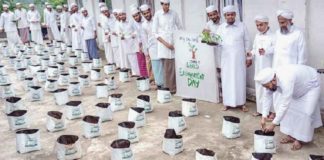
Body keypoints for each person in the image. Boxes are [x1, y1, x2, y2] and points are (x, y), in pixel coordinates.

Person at [255, 64, 322, 150]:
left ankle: (300, 139)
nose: (267, 88)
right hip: (296, 87)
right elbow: (267, 97)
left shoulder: (286, 79)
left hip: (310, 85)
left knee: (306, 113)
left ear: (273, 80)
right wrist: (263, 117)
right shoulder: (270, 80)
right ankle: (291, 136)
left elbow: (284, 104)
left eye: (267, 86)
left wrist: (273, 124)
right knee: (290, 111)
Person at [216, 5, 251, 111]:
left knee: (240, 80)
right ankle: (227, 103)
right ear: (225, 16)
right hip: (226, 59)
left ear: (235, 15)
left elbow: (247, 42)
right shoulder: (221, 27)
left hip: (239, 59)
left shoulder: (242, 26)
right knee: (227, 80)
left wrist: (248, 57)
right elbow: (216, 42)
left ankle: (241, 103)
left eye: (232, 14)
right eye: (227, 15)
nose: (230, 16)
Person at [152, 0, 182, 94]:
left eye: (168, 4)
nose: (167, 6)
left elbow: (180, 28)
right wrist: (166, 44)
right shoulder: (157, 15)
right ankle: (168, 89)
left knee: (173, 67)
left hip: (173, 44)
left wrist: (177, 41)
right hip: (163, 45)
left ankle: (173, 88)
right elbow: (155, 33)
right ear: (161, 4)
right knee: (166, 68)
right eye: (165, 4)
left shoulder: (174, 14)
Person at [249, 15, 275, 116]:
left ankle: (271, 111)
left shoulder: (273, 36)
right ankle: (260, 110)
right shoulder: (257, 35)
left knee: (269, 88)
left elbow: (276, 49)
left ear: (267, 24)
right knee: (259, 87)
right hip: (259, 66)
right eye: (257, 25)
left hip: (268, 65)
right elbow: (254, 48)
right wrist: (251, 53)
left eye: (261, 25)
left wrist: (266, 51)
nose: (259, 27)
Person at [140, 4, 164, 89]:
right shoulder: (143, 25)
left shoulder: (157, 20)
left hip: (161, 45)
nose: (146, 15)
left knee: (163, 65)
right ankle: (159, 84)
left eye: (147, 13)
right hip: (152, 48)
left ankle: (165, 83)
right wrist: (146, 52)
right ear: (142, 14)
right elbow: (144, 39)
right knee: (156, 66)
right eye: (144, 14)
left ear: (150, 11)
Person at [116, 9, 140, 76]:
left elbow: (136, 29)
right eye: (120, 15)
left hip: (133, 41)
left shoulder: (131, 21)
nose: (122, 16)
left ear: (125, 14)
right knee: (130, 58)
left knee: (135, 57)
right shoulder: (119, 24)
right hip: (126, 42)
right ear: (119, 16)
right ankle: (134, 72)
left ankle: (139, 72)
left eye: (123, 14)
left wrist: (134, 34)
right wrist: (121, 36)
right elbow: (119, 32)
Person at [130, 6, 147, 77]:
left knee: (149, 61)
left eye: (137, 15)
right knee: (141, 62)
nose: (136, 18)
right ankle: (144, 77)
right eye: (134, 16)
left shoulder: (145, 21)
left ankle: (151, 77)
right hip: (138, 44)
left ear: (140, 14)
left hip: (147, 43)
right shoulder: (133, 23)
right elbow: (134, 33)